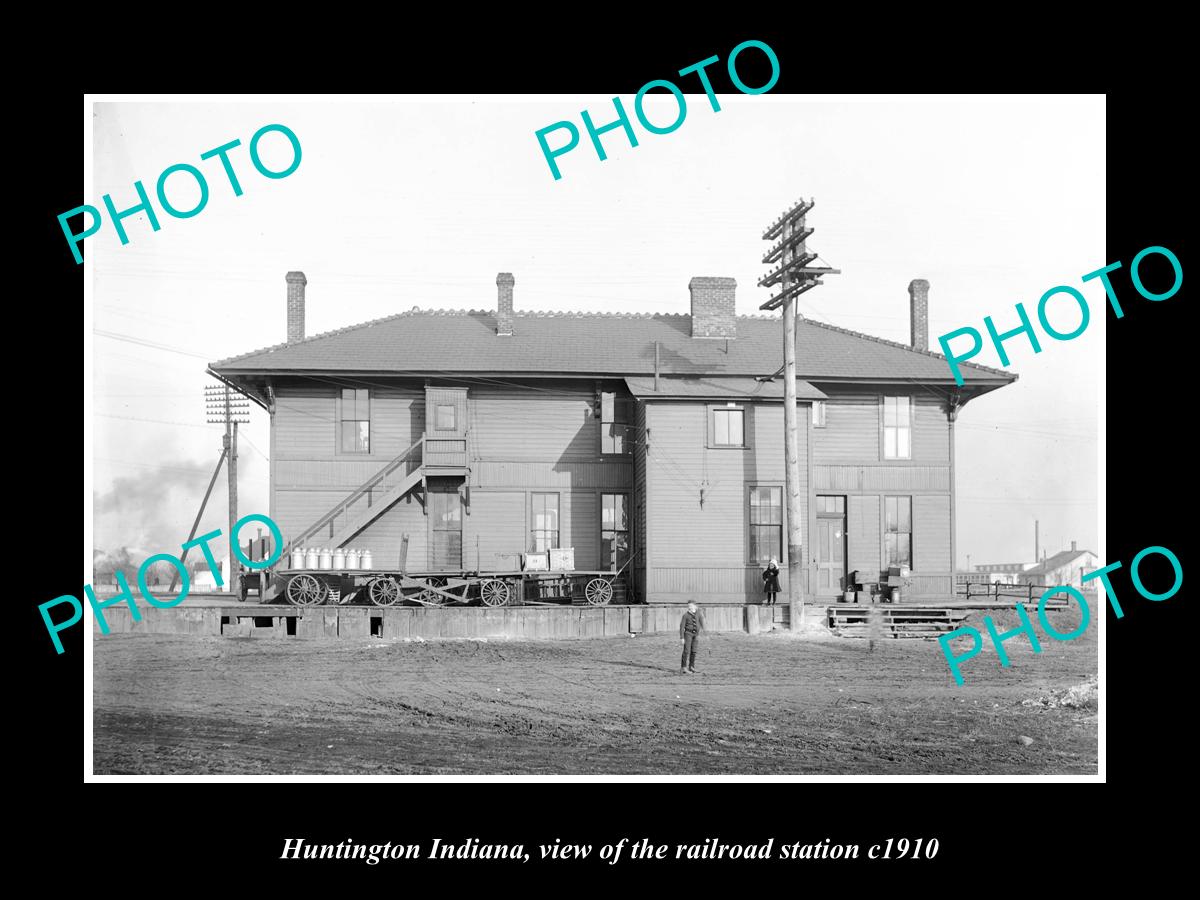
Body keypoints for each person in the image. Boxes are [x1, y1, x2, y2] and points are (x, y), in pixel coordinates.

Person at [679, 601, 705, 674]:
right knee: (686, 650)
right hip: (688, 634)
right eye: (688, 606)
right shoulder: (685, 615)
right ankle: (683, 667)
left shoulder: (698, 614)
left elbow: (702, 623)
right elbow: (682, 627)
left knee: (694, 650)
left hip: (696, 634)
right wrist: (682, 637)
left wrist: (704, 632)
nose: (689, 607)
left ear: (695, 606)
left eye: (690, 606)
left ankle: (691, 666)